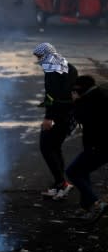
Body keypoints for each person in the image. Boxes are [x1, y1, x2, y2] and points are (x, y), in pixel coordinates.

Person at [34, 43, 78, 200]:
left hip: (58, 115)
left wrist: (48, 117)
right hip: (68, 114)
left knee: (46, 147)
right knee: (55, 147)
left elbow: (53, 96)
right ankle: (60, 183)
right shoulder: (66, 65)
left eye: (39, 56)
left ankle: (62, 184)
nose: (38, 60)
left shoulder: (53, 70)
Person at [66, 75, 108, 220]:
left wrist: (76, 101)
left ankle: (96, 204)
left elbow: (81, 117)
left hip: (99, 145)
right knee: (82, 171)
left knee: (72, 171)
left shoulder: (91, 99)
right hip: (98, 144)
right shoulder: (101, 93)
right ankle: (86, 207)